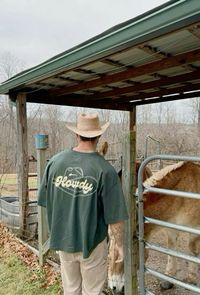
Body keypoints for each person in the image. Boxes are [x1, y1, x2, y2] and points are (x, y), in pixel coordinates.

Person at [38, 112, 128, 295]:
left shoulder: (54, 163)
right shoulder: (106, 170)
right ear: (98, 136)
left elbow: (45, 201)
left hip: (63, 241)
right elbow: (115, 217)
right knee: (91, 292)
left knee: (71, 289)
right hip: (92, 244)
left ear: (77, 134)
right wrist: (119, 245)